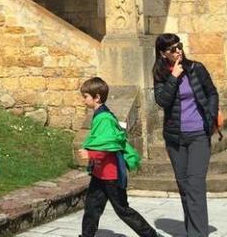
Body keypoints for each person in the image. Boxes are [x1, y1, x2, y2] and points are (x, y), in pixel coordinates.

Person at [77, 77, 162, 237]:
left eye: (85, 96)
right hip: (99, 174)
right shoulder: (100, 115)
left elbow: (108, 146)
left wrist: (90, 154)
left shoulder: (104, 118)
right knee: (92, 208)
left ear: (97, 98)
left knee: (123, 210)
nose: (83, 100)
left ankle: (151, 235)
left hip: (111, 175)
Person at [152, 34, 218, 237]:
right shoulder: (160, 74)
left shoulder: (196, 68)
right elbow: (162, 101)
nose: (178, 51)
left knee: (195, 185)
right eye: (172, 49)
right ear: (163, 54)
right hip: (175, 138)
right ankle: (192, 230)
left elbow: (212, 93)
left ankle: (198, 234)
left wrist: (211, 116)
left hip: (199, 134)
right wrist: (174, 77)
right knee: (184, 186)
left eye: (179, 46)